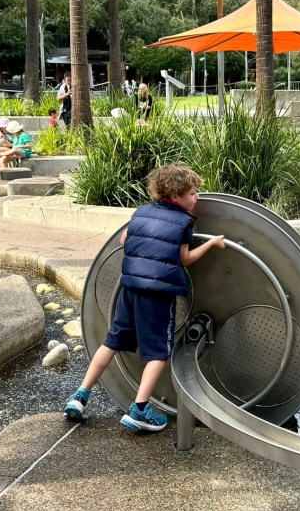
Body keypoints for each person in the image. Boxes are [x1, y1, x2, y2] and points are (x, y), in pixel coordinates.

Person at [63, 163, 226, 429]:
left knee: (112, 341)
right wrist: (211, 243)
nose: (197, 197)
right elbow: (184, 259)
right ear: (175, 196)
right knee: (158, 352)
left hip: (130, 288)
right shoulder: (184, 221)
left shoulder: (141, 212)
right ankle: (139, 410)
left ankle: (80, 396)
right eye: (193, 193)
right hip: (158, 295)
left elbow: (123, 241)